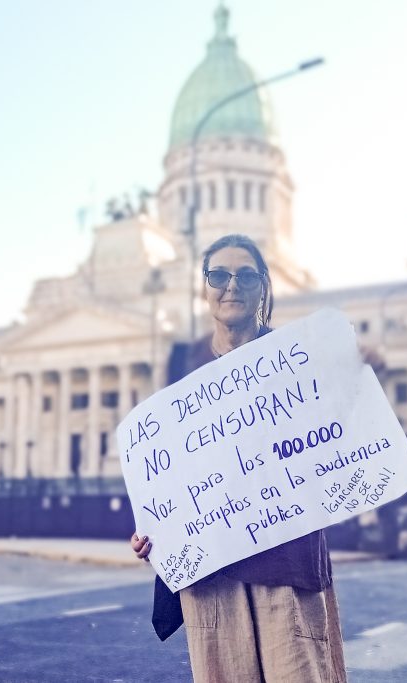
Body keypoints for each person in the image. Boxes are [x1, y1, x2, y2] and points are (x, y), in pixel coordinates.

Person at [130, 234, 347, 682]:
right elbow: (165, 465)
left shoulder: (297, 358)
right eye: (219, 275)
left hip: (285, 564)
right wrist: (151, 528)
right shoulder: (181, 365)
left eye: (246, 275)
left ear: (264, 286)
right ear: (203, 286)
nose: (232, 286)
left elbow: (334, 438)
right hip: (211, 574)